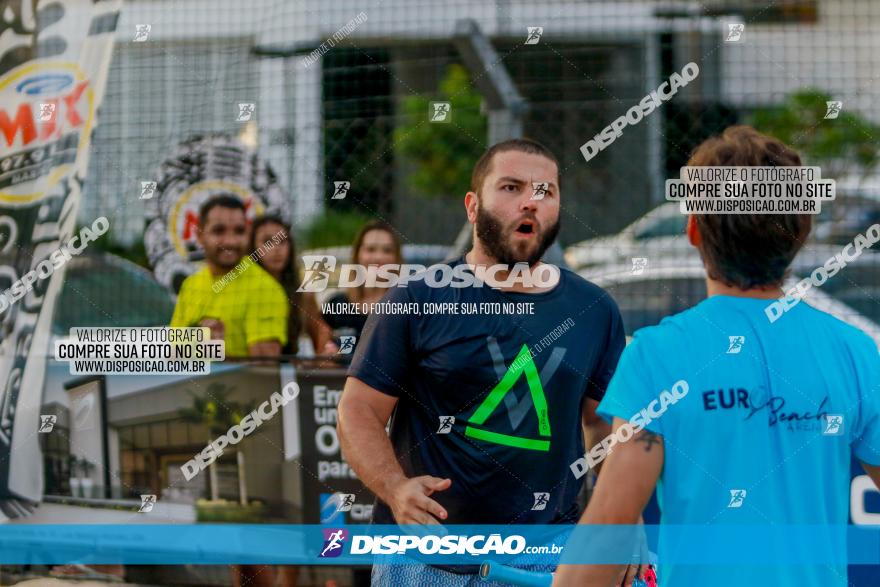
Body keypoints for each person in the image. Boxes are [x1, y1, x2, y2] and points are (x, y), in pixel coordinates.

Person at [553, 126, 880, 587]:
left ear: (692, 231)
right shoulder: (853, 351)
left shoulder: (656, 356)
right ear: (800, 233)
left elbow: (609, 525)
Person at [337, 138, 627, 585]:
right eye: (511, 188)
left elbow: (604, 426)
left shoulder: (594, 309)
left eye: (544, 191)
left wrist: (622, 526)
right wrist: (395, 489)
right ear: (473, 207)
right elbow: (358, 411)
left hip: (547, 558)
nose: (530, 202)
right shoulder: (415, 300)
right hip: (425, 560)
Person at [170, 194, 288, 358]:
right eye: (219, 231)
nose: (230, 241)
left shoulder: (264, 288)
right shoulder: (190, 285)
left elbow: (264, 373)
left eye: (239, 231)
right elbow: (173, 355)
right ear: (199, 235)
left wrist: (214, 352)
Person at [250, 214, 337, 355]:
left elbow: (322, 334)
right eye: (267, 242)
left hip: (291, 371)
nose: (276, 249)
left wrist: (326, 353)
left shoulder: (303, 295)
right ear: (252, 246)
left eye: (282, 241)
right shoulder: (241, 288)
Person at [322, 221, 403, 340]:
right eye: (370, 249)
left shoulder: (408, 308)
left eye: (387, 250)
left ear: (396, 258)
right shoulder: (336, 305)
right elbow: (321, 352)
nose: (378, 257)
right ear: (357, 255)